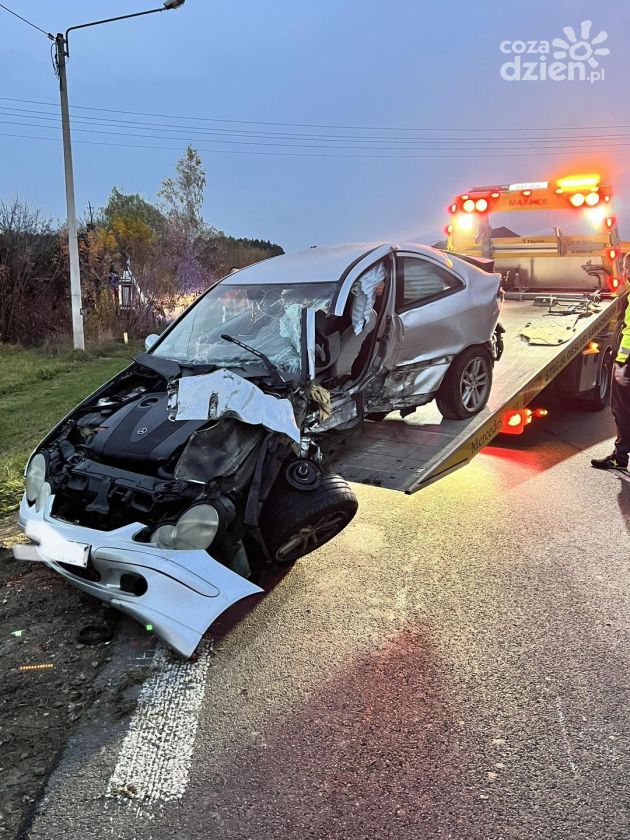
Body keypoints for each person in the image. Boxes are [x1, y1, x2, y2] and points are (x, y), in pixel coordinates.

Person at [591, 253, 630, 471]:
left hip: (627, 362)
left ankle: (620, 457)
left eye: (625, 268)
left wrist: (621, 361)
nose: (623, 273)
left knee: (622, 409)